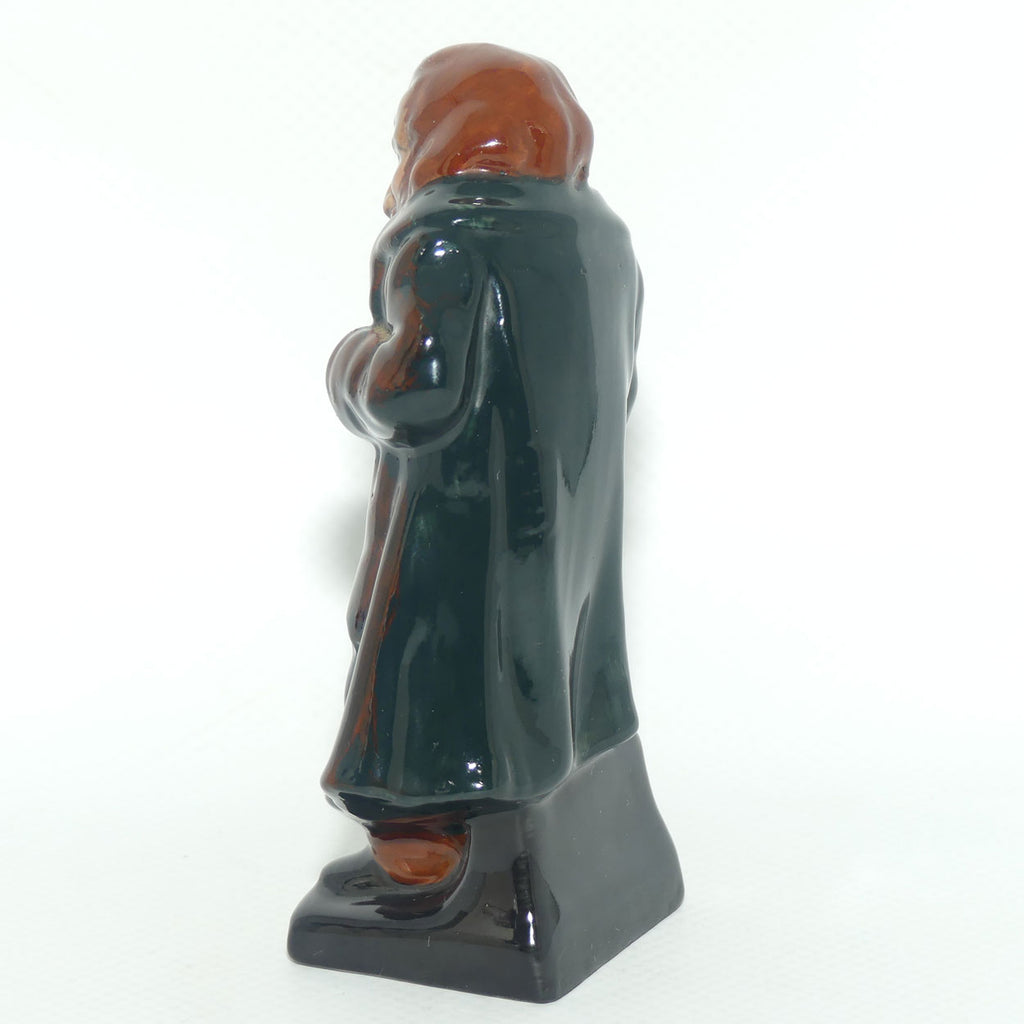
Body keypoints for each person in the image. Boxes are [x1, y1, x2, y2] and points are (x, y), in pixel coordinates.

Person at [321, 42, 644, 886]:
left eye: (407, 140)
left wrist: (348, 363)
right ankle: (553, 792)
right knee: (551, 647)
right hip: (566, 503)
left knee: (438, 668)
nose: (398, 172)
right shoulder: (603, 239)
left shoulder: (445, 237)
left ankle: (427, 844)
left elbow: (412, 396)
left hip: (462, 514)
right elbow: (622, 385)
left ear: (445, 132)